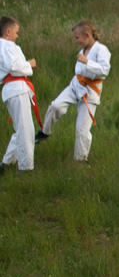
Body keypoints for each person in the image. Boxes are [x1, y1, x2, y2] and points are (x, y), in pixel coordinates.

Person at [35, 20, 111, 162]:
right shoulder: (83, 51)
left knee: (82, 130)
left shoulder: (101, 50)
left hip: (90, 92)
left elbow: (104, 70)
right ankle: (45, 132)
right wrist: (83, 62)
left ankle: (80, 161)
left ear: (87, 35)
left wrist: (87, 62)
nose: (76, 41)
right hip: (75, 85)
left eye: (77, 38)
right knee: (56, 106)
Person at [0, 17, 39, 175]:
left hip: (14, 89)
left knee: (20, 129)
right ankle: (25, 168)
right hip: (16, 88)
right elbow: (14, 67)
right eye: (16, 32)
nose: (17, 36)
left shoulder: (5, 46)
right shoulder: (6, 45)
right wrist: (29, 64)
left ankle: (5, 163)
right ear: (8, 31)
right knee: (26, 130)